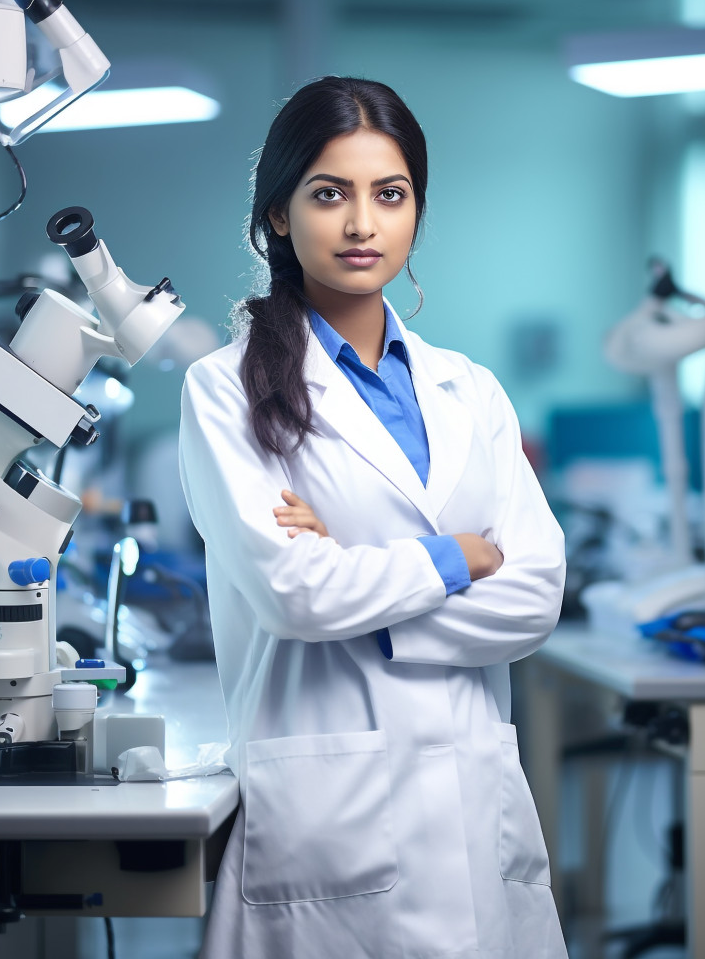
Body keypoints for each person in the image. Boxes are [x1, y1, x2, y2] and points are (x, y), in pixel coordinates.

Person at [179, 75, 568, 959]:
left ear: (416, 212)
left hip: (474, 813)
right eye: (330, 195)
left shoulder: (471, 391)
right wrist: (459, 557)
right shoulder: (224, 390)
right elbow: (296, 596)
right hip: (329, 826)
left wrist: (361, 580)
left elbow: (536, 596)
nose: (362, 224)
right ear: (278, 216)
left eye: (389, 195)